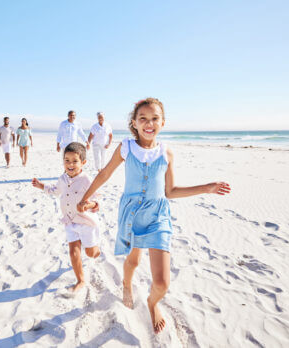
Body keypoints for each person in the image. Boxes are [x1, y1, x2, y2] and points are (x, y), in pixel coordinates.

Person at [77, 98, 231, 334]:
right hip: (132, 215)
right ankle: (126, 283)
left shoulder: (166, 152)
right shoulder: (126, 147)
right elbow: (105, 174)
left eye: (154, 119)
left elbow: (170, 192)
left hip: (158, 216)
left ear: (163, 122)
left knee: (162, 283)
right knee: (134, 261)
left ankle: (152, 302)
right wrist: (86, 198)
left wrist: (206, 188)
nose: (149, 124)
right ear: (134, 123)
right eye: (143, 119)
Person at [32, 142, 101, 293]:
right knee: (73, 252)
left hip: (86, 223)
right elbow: (55, 191)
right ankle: (80, 280)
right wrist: (41, 186)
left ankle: (96, 250)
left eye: (75, 161)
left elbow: (97, 202)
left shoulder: (86, 180)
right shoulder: (62, 179)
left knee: (91, 253)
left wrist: (86, 205)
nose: (70, 164)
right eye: (67, 160)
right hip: (70, 221)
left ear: (83, 162)